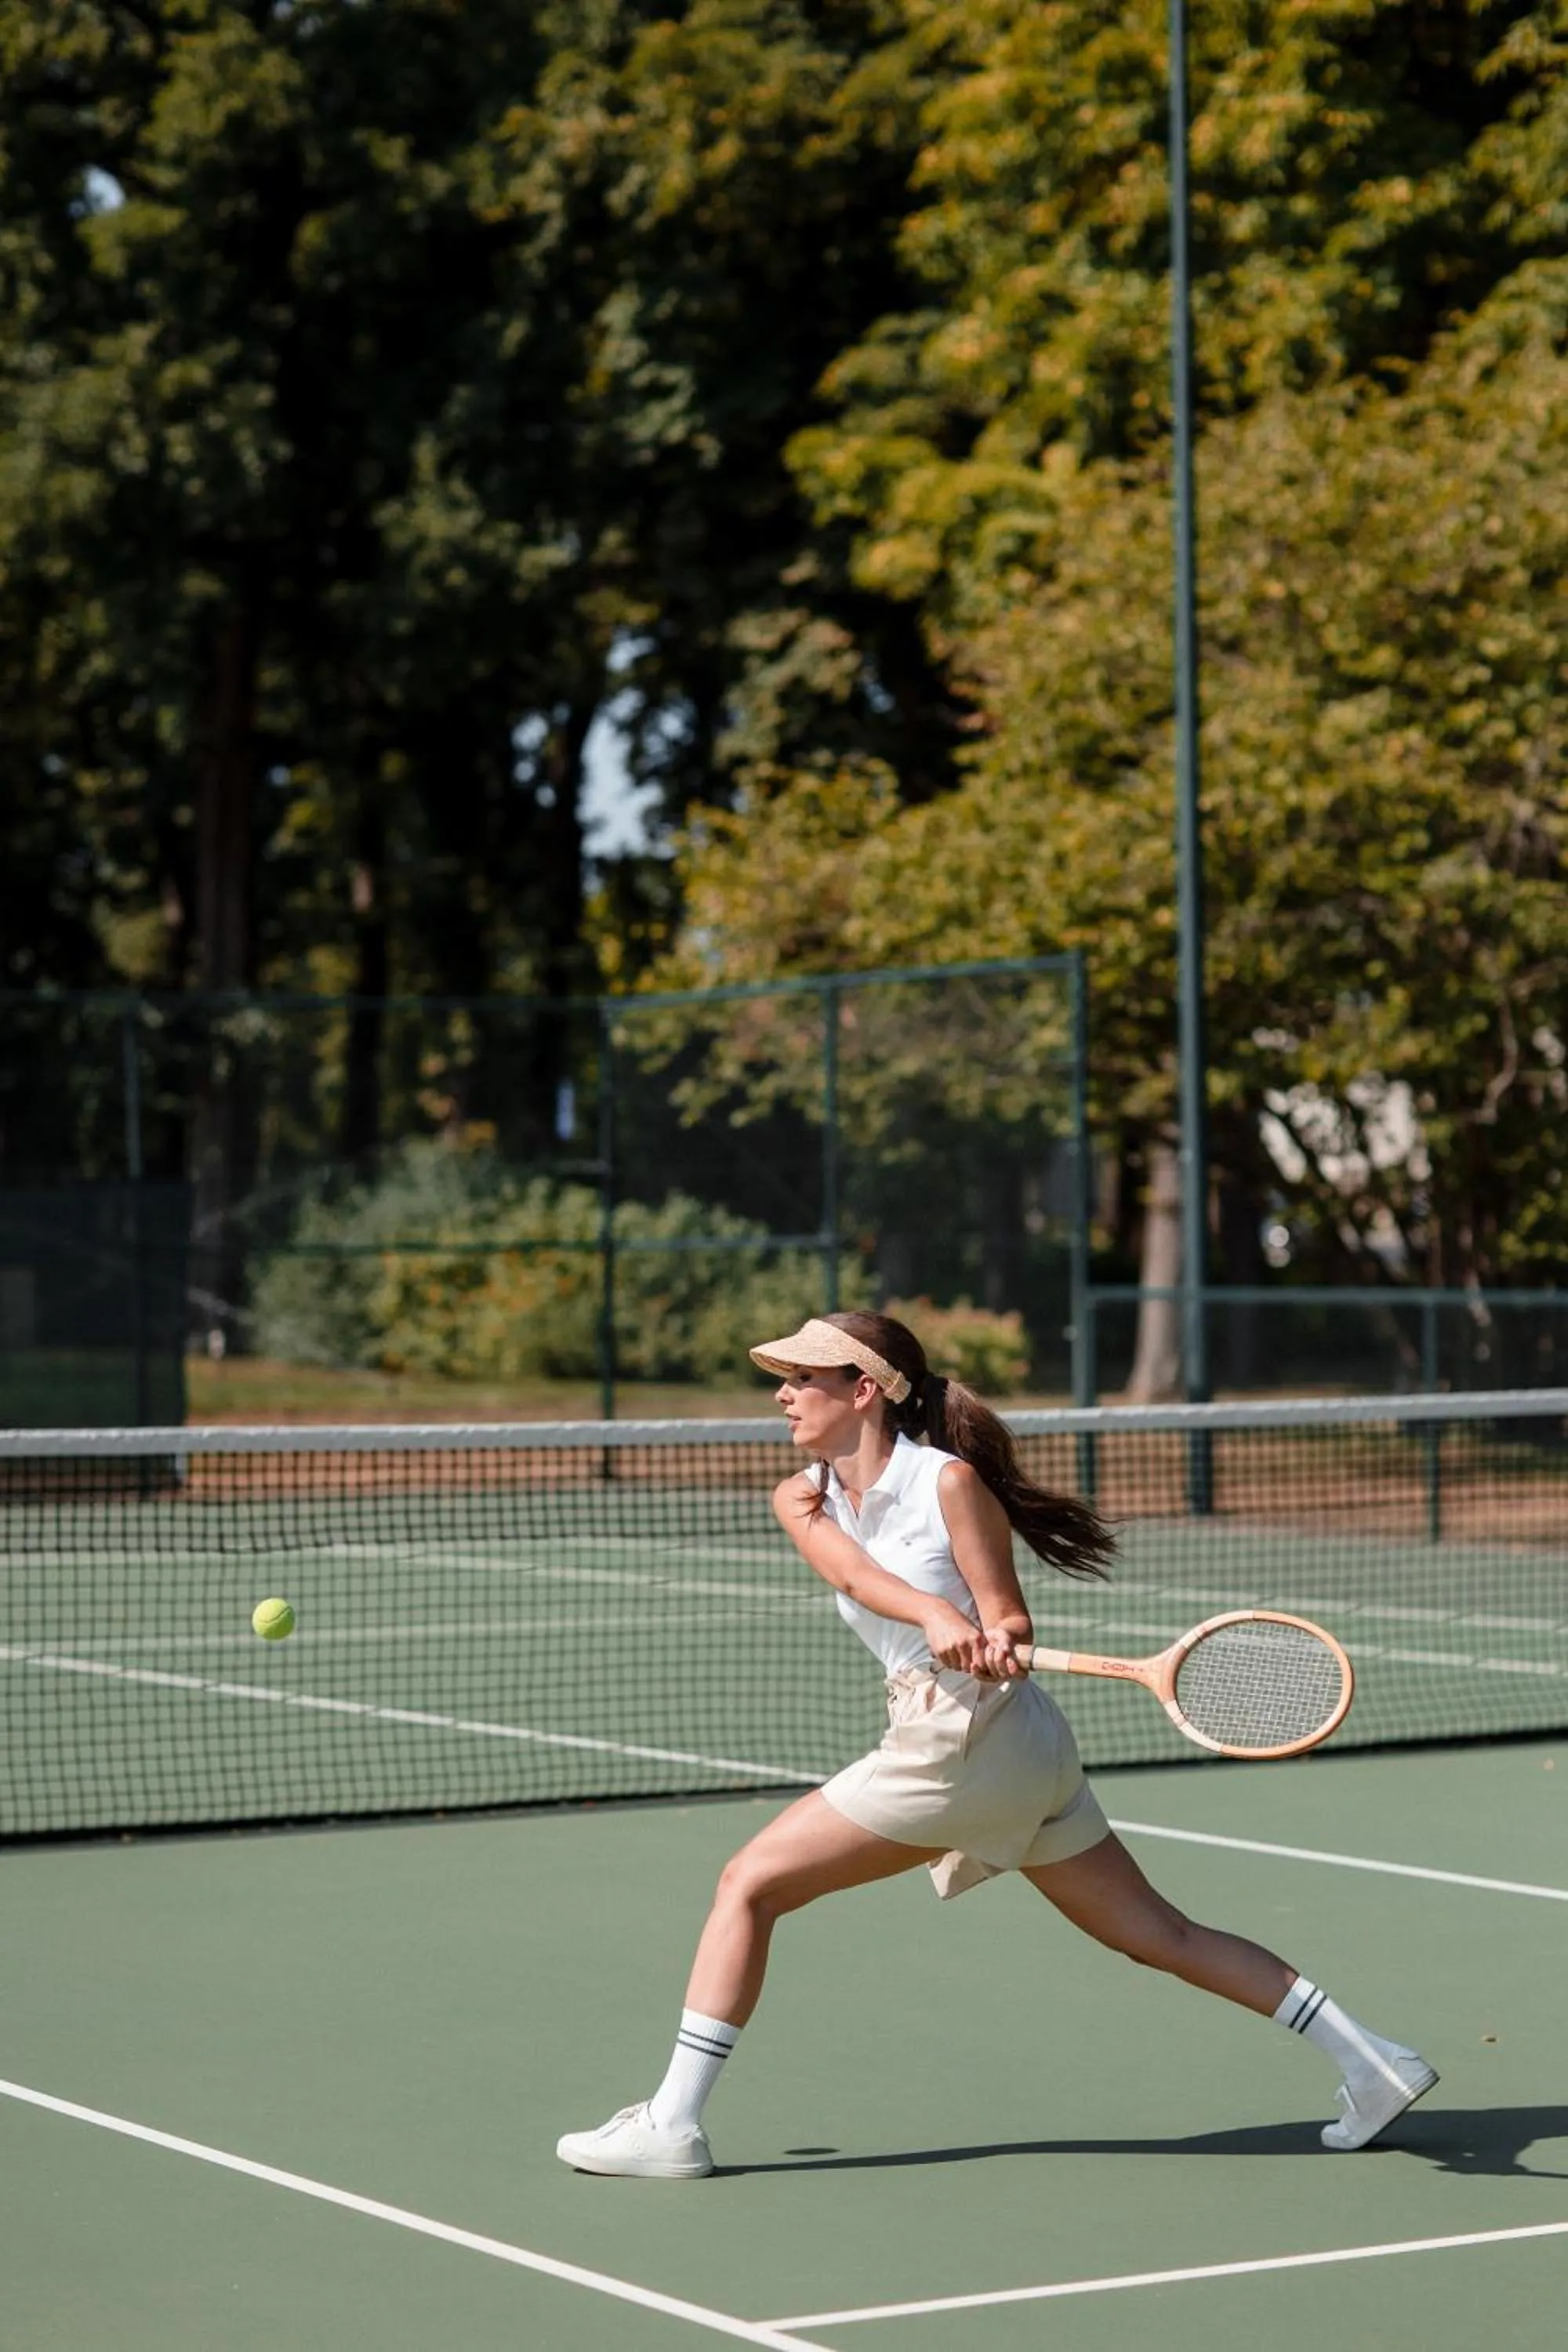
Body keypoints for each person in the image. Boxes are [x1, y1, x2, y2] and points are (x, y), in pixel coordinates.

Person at [556, 1310, 1436, 2180]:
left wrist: (993, 1638)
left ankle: (672, 2124)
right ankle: (1374, 2063)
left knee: (747, 1886)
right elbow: (852, 1574)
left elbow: (1009, 1614)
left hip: (966, 1739)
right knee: (1157, 1933)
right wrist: (936, 1616)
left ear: (863, 1391)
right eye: (784, 1380)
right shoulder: (802, 1494)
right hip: (1016, 1753)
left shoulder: (947, 1483)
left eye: (804, 1379)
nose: (783, 1395)